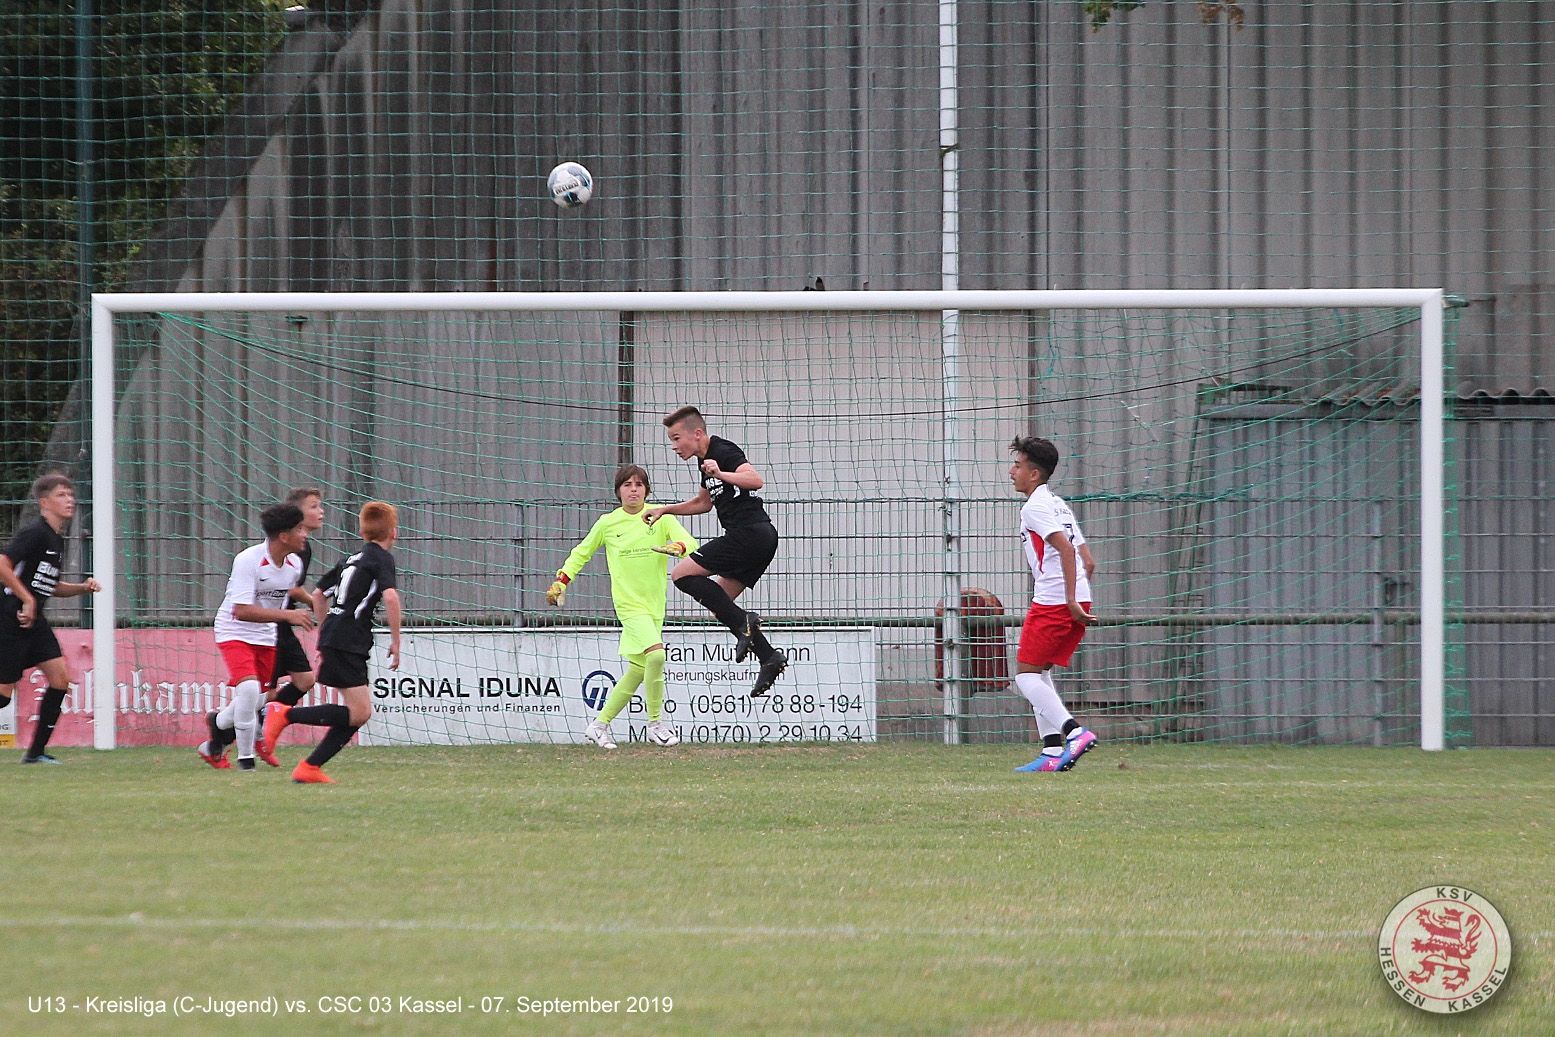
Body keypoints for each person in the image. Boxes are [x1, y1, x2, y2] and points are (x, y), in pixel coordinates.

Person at [548, 465, 698, 749]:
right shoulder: (608, 523)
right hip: (628, 606)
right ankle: (655, 724)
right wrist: (561, 581)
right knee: (656, 657)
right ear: (618, 491)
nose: (633, 489)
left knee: (638, 670)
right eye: (627, 484)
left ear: (646, 490)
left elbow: (689, 541)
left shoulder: (659, 517)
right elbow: (581, 553)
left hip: (655, 606)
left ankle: (598, 725)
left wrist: (678, 547)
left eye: (639, 484)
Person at [642, 406, 787, 697]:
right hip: (755, 539)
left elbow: (755, 480)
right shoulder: (704, 462)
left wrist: (721, 472)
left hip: (750, 534)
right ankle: (769, 657)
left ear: (697, 434)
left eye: (676, 438)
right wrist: (665, 509)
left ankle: (747, 624)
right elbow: (703, 503)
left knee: (681, 574)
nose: (673, 446)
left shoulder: (723, 451)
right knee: (720, 604)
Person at [264, 501, 401, 784]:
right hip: (349, 640)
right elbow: (390, 597)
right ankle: (285, 714)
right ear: (394, 533)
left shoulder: (350, 559)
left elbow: (317, 594)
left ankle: (309, 767)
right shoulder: (382, 559)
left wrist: (325, 630)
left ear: (362, 533)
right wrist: (397, 641)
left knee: (358, 713)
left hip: (339, 637)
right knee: (359, 712)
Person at [1007, 436, 1099, 773]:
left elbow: (1067, 550)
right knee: (1039, 672)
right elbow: (1088, 560)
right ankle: (1050, 752)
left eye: (1017, 465)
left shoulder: (1035, 507)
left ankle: (1074, 732)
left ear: (1034, 474)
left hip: (1054, 600)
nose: (1011, 471)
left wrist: (1069, 599)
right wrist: (1078, 594)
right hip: (1070, 596)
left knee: (1025, 678)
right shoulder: (1058, 503)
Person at [200, 502, 312, 771]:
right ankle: (246, 761)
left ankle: (217, 723)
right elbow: (240, 611)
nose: (305, 534)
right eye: (300, 529)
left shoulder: (294, 563)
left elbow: (287, 594)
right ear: (284, 537)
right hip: (234, 631)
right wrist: (288, 616)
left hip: (265, 635)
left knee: (261, 698)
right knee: (248, 690)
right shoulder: (248, 560)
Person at [1, 474, 101, 764]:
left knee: (60, 679)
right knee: (3, 695)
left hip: (34, 621)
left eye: (70, 494)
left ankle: (35, 754)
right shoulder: (35, 533)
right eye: (61, 495)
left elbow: (49, 585)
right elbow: (3, 564)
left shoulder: (56, 539)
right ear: (44, 502)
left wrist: (81, 587)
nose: (69, 500)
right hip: (10, 618)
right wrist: (28, 599)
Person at [254, 485, 326, 766]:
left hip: (284, 623)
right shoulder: (293, 545)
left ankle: (263, 728)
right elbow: (292, 588)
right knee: (266, 693)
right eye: (313, 506)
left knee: (305, 679)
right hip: (273, 623)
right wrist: (315, 604)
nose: (320, 512)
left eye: (320, 506)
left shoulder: (303, 545)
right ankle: (224, 734)